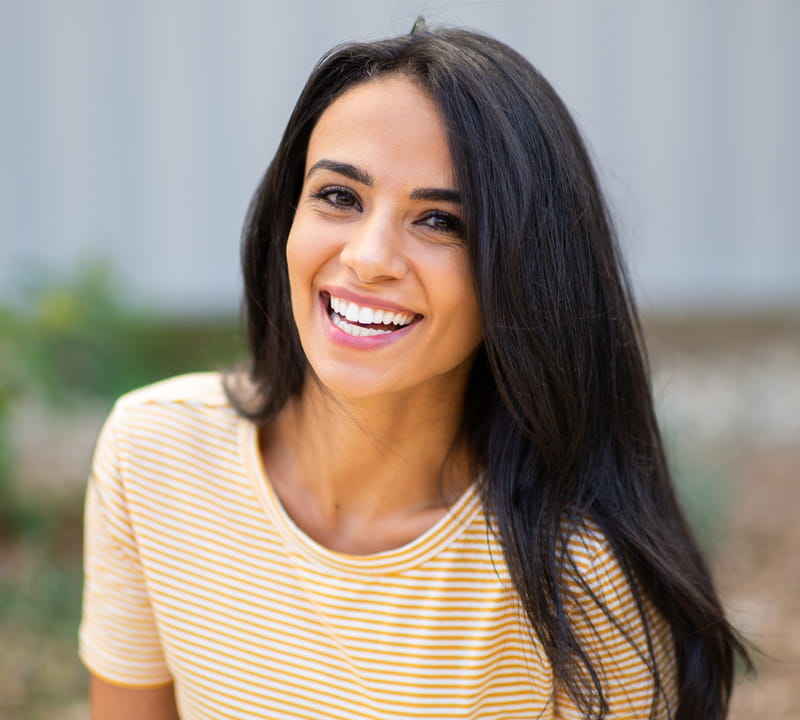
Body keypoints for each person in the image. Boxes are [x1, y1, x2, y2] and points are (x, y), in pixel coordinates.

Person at [79, 21, 749, 720]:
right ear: (286, 218)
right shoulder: (152, 453)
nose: (369, 257)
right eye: (340, 196)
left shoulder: (578, 578)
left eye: (440, 222)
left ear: (524, 276)